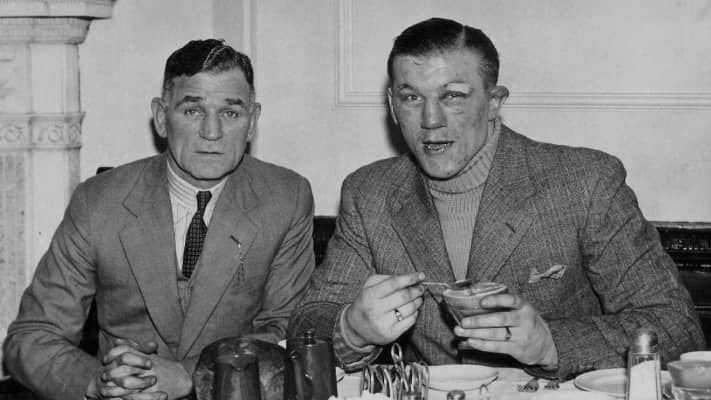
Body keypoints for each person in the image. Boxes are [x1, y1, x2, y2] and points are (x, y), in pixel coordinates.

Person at [289, 18, 704, 381]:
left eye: (453, 96)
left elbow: (677, 327)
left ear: (494, 103)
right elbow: (309, 321)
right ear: (393, 107)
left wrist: (550, 344)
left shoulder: (586, 182)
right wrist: (352, 329)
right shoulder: (370, 191)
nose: (430, 121)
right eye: (412, 98)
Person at [3, 39, 315, 400]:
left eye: (230, 113)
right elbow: (32, 336)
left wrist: (190, 376)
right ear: (162, 118)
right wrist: (97, 382)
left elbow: (289, 334)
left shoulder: (285, 197)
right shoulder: (99, 200)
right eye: (193, 111)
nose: (211, 132)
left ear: (252, 122)